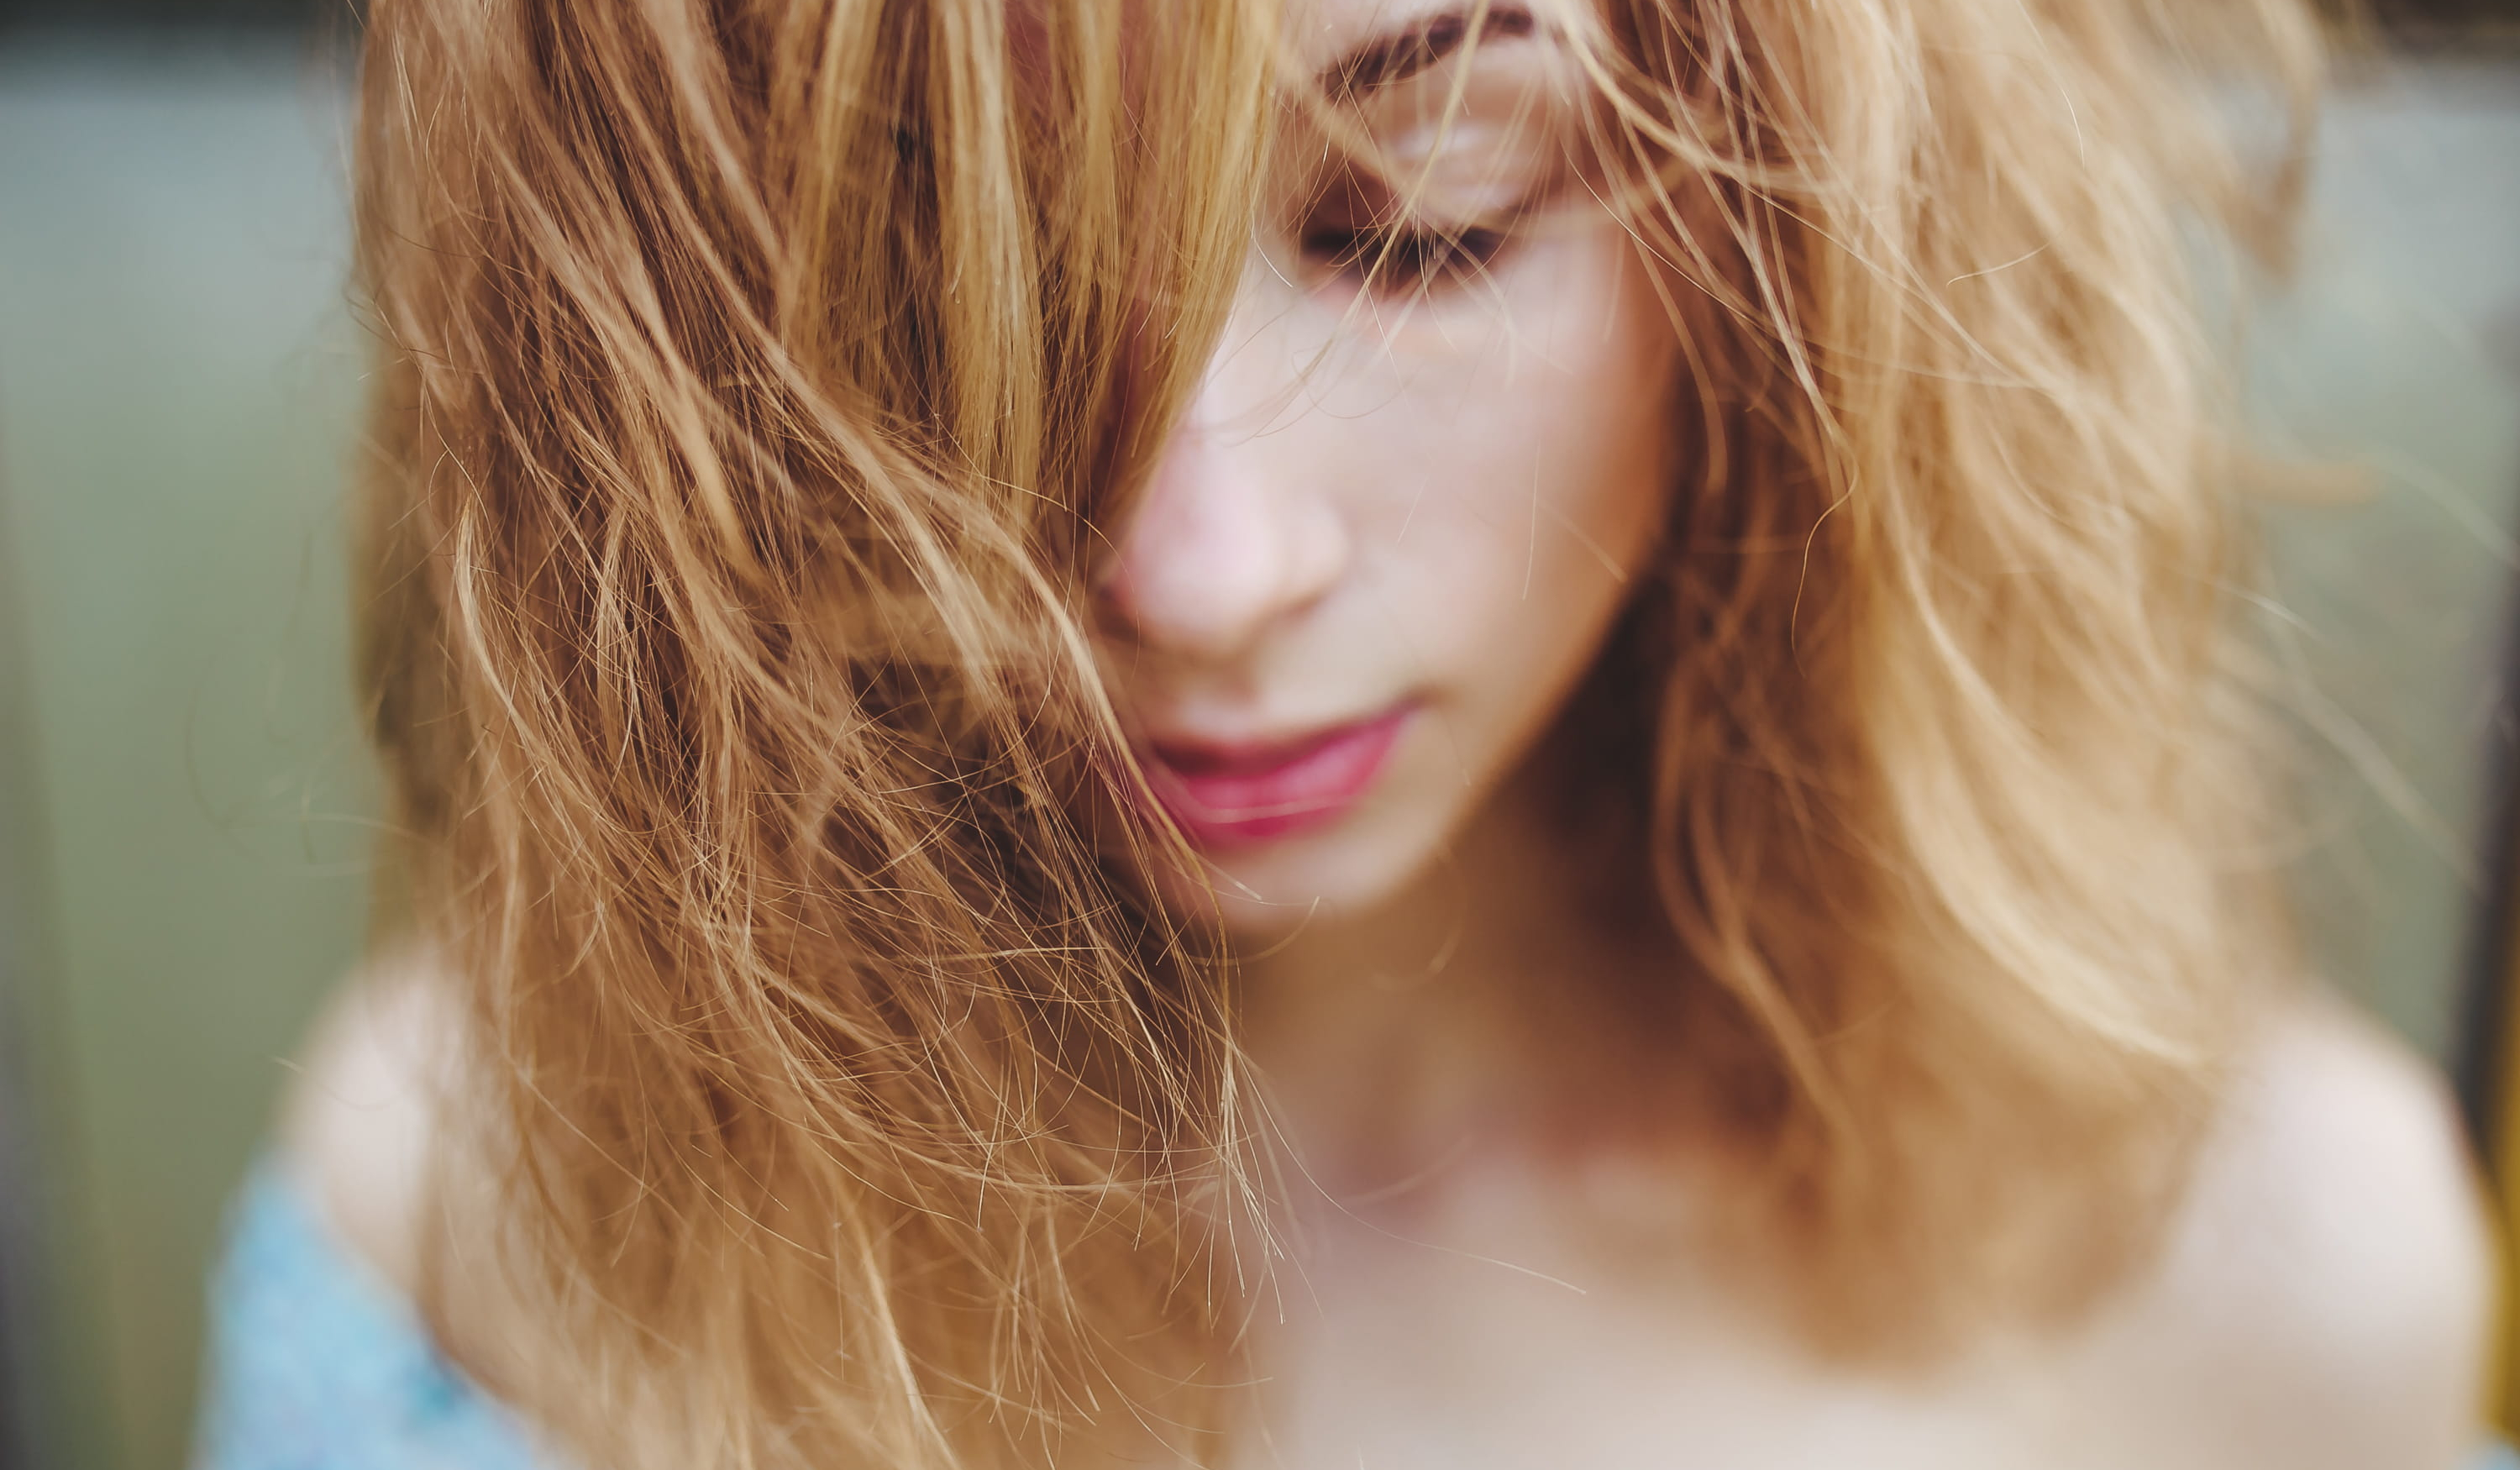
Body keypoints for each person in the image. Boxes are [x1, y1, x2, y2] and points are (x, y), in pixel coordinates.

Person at [193, 0, 2498, 1466]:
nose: (1197, 571)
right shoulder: (492, 1207)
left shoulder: (2279, 1298)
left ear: (1819, 241)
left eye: (1420, 227)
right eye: (935, 270)